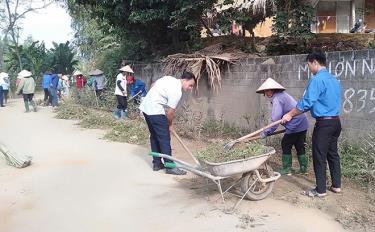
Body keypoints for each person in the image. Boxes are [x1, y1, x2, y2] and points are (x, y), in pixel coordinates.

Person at [282, 51, 342, 198]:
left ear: (314, 62)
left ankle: (320, 190)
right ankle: (336, 186)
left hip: (324, 124)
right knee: (332, 154)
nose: (309, 68)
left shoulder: (317, 79)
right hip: (336, 122)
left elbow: (307, 103)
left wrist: (290, 114)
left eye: (309, 65)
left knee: (319, 156)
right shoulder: (334, 79)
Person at [139, 71, 196, 175]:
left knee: (155, 136)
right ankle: (170, 167)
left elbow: (154, 84)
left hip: (146, 108)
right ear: (184, 80)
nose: (190, 88)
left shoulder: (168, 78)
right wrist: (169, 125)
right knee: (164, 138)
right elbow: (170, 112)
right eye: (190, 85)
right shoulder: (177, 92)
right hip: (155, 111)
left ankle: (157, 163)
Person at [256, 78, 309, 175]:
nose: (266, 93)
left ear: (273, 90)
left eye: (268, 90)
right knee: (299, 145)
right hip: (303, 123)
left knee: (286, 144)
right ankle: (303, 169)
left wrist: (267, 132)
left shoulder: (277, 99)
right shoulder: (282, 95)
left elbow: (275, 119)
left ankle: (287, 169)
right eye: (265, 91)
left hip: (295, 125)